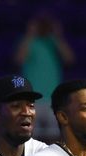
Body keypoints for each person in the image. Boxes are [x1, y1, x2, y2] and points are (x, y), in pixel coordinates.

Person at [14, 10, 75, 138]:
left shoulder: (54, 42)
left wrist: (58, 36)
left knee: (54, 140)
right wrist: (30, 34)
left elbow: (69, 59)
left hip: (52, 100)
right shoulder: (27, 41)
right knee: (29, 140)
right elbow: (19, 59)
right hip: (31, 100)